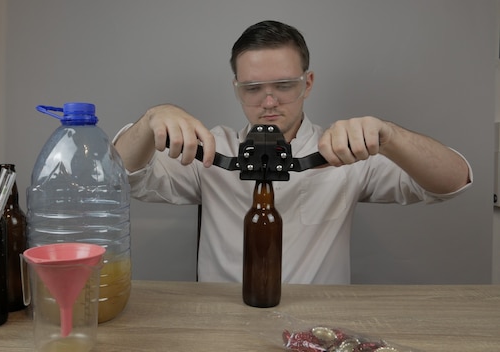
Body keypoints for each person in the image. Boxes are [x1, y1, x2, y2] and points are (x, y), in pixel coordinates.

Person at [113, 20, 472, 284]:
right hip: (222, 324)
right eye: (253, 88)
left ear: (308, 83)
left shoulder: (345, 149)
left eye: (285, 85)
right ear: (236, 88)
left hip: (321, 326)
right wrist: (149, 121)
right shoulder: (211, 150)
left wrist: (389, 135)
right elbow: (120, 176)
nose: (269, 101)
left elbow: (453, 181)